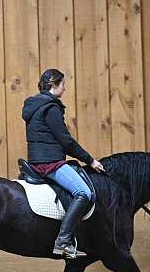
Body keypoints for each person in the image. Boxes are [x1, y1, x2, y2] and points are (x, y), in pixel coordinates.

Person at [22, 69, 105, 259]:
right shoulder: (51, 108)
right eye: (63, 84)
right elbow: (66, 142)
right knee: (84, 193)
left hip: (37, 160)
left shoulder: (34, 106)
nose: (65, 88)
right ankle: (63, 241)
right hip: (50, 163)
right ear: (54, 85)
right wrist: (90, 160)